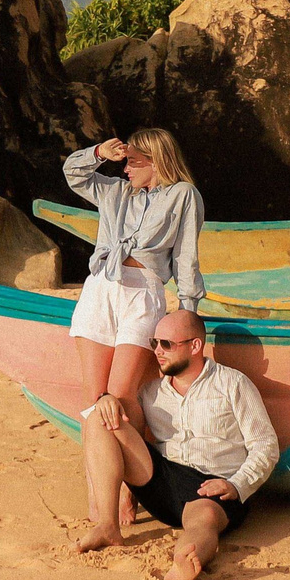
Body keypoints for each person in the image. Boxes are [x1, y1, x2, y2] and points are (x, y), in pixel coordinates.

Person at [61, 127, 205, 534]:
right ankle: (101, 494)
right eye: (123, 162)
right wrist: (98, 153)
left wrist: (188, 317)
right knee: (94, 399)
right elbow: (75, 175)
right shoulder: (114, 191)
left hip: (143, 293)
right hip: (100, 290)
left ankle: (130, 487)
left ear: (156, 161)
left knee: (121, 398)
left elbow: (187, 258)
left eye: (133, 162)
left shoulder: (183, 196)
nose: (125, 169)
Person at [77, 308, 279, 580]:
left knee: (203, 521)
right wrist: (105, 399)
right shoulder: (150, 392)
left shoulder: (232, 383)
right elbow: (125, 434)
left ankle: (187, 556)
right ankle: (108, 526)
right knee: (100, 417)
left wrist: (236, 485)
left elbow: (266, 446)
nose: (158, 351)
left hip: (212, 488)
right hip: (162, 479)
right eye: (155, 343)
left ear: (195, 346)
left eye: (167, 345)